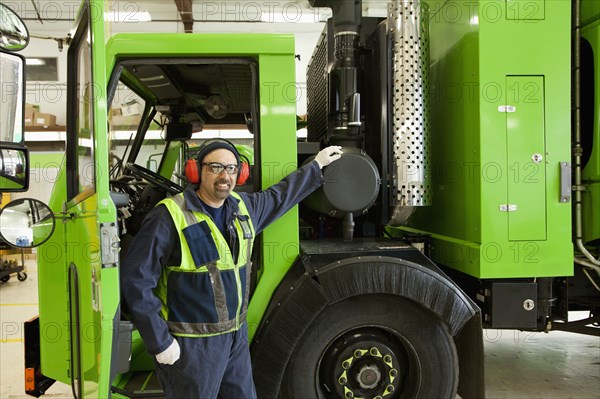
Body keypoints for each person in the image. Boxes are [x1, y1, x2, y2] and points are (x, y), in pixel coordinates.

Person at [120, 140, 342, 399]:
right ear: (196, 171)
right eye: (215, 167)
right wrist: (160, 341)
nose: (225, 175)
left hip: (235, 339)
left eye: (232, 168)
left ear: (240, 174)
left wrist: (316, 166)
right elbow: (135, 280)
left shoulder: (244, 208)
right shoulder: (169, 216)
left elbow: (281, 195)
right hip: (192, 346)